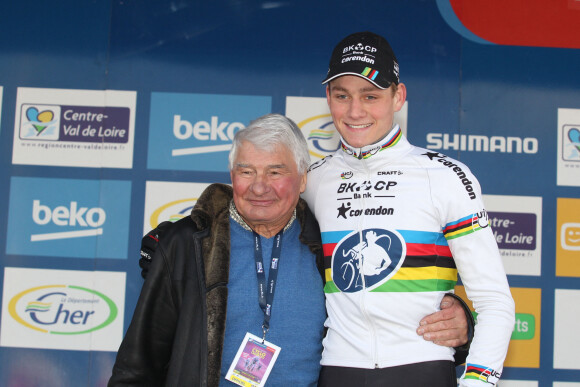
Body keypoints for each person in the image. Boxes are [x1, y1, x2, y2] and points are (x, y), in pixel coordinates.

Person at [109, 114, 472, 386]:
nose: (259, 187)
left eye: (275, 172)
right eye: (246, 171)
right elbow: (139, 363)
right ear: (231, 175)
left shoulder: (333, 241)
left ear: (302, 178)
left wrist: (459, 322)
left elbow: (388, 312)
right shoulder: (186, 246)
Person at [303, 31, 515, 386]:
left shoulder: (444, 176)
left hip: (422, 367)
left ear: (397, 96)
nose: (355, 111)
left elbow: (495, 302)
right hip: (338, 369)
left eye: (370, 96)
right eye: (342, 96)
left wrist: (478, 382)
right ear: (328, 97)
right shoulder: (312, 182)